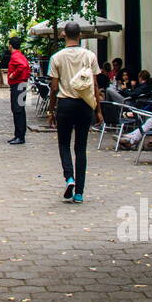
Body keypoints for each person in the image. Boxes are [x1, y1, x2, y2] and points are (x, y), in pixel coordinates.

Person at [48, 21, 98, 204]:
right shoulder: (90, 56)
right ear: (80, 35)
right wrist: (98, 110)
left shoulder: (57, 58)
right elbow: (95, 84)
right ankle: (79, 193)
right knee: (81, 147)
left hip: (65, 104)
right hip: (85, 105)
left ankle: (69, 177)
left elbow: (54, 87)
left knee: (63, 144)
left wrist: (51, 110)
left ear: (63, 35)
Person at [4, 36, 31, 145]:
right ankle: (18, 135)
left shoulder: (16, 56)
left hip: (18, 85)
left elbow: (23, 66)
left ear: (10, 45)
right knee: (19, 109)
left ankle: (20, 136)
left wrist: (13, 75)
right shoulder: (20, 55)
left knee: (17, 110)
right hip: (21, 85)